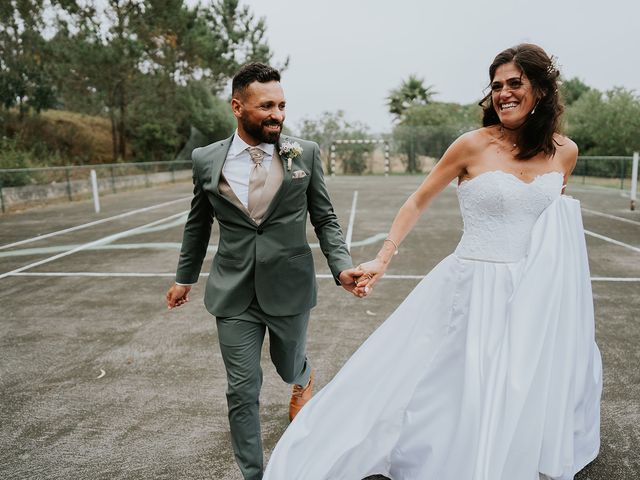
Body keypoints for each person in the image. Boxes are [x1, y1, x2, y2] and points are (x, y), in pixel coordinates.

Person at [263, 44, 603, 480]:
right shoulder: (471, 146)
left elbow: (554, 230)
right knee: (453, 385)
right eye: (497, 86)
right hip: (471, 284)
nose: (503, 93)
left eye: (515, 83)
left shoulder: (565, 153)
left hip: (533, 293)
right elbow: (417, 200)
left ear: (541, 89)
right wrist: (383, 259)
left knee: (517, 385)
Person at [165, 62, 361, 480]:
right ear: (237, 107)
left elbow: (324, 217)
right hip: (233, 291)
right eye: (267, 106)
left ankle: (302, 378)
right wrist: (185, 278)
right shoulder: (205, 159)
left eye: (282, 105)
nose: (278, 114)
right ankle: (253, 474)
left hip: (289, 286)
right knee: (242, 389)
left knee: (287, 364)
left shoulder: (303, 152)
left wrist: (341, 267)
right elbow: (198, 223)